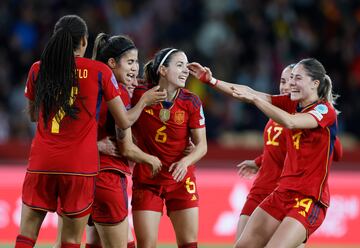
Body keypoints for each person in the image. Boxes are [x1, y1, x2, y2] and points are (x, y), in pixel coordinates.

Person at [16, 15, 159, 248]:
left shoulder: (37, 68)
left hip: (42, 162)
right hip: (80, 168)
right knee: (71, 240)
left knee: (26, 235)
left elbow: (33, 115)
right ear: (83, 41)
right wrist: (144, 102)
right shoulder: (98, 71)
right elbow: (123, 120)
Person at [188, 58, 340, 248]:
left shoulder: (324, 110)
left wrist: (255, 99)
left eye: (297, 78)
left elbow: (290, 122)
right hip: (282, 192)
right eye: (290, 78)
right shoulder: (292, 103)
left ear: (315, 83)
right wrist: (212, 81)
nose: (291, 83)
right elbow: (248, 92)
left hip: (309, 199)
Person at [131, 48, 207, 248]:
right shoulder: (140, 94)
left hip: (181, 178)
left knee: (189, 244)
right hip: (148, 179)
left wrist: (185, 162)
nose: (185, 71)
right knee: (146, 245)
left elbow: (202, 146)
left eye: (186, 66)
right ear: (163, 70)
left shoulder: (191, 101)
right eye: (179, 65)